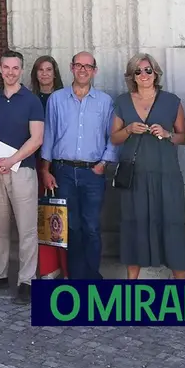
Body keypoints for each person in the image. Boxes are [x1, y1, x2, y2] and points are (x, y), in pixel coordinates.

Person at [111, 54, 185, 279]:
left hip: (166, 174)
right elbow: (114, 138)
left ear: (156, 73)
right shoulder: (122, 101)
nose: (144, 75)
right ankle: (131, 290)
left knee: (172, 224)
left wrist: (167, 134)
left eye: (148, 70)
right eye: (138, 71)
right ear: (132, 76)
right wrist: (128, 130)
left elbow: (184, 137)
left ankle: (181, 289)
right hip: (134, 177)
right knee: (134, 225)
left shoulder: (171, 101)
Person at [40, 52, 118, 280]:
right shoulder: (56, 99)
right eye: (78, 65)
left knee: (92, 227)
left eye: (88, 66)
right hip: (63, 172)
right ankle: (74, 278)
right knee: (71, 228)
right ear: (71, 68)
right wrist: (45, 170)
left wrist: (104, 163)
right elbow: (49, 135)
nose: (83, 70)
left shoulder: (105, 102)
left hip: (93, 173)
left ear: (95, 70)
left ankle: (92, 277)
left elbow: (112, 136)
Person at [0, 51, 44, 304]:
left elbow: (37, 138)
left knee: (27, 229)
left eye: (15, 68)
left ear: (21, 70)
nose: (11, 72)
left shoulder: (31, 100)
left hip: (22, 170)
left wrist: (12, 160)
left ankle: (27, 280)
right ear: (0, 68)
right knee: (0, 227)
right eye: (6, 67)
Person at [30, 55, 68, 279]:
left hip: (60, 163)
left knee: (63, 218)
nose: (44, 74)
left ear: (55, 73)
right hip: (35, 163)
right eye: (40, 70)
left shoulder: (65, 98)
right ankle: (47, 269)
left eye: (48, 69)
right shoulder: (30, 99)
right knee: (43, 217)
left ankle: (66, 269)